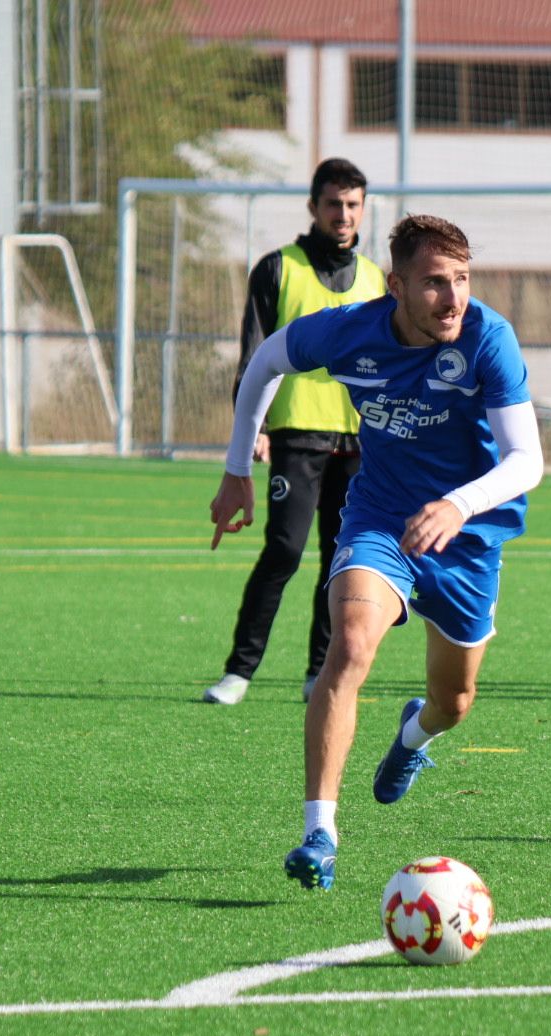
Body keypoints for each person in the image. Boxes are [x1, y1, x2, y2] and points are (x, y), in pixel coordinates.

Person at [209, 214, 543, 890]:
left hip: (467, 538)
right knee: (350, 644)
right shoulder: (349, 331)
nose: (453, 299)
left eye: (461, 280)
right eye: (433, 285)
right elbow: (267, 361)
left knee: (454, 703)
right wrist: (237, 463)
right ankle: (318, 833)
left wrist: (457, 505)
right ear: (396, 286)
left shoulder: (489, 338)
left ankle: (413, 738)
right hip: (382, 519)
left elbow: (527, 459)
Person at [204, 158, 386, 707]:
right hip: (296, 435)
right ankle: (239, 671)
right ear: (314, 207)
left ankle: (317, 673)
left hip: (357, 442)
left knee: (342, 558)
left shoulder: (378, 278)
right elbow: (254, 356)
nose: (344, 214)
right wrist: (250, 429)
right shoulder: (277, 268)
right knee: (283, 550)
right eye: (334, 203)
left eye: (353, 204)